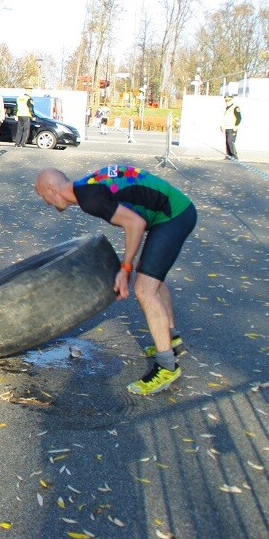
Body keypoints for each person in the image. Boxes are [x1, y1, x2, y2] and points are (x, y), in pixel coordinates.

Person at [34, 165, 197, 395]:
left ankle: (166, 366)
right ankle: (171, 341)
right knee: (152, 278)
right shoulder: (86, 186)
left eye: (44, 197)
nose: (47, 203)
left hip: (173, 215)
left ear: (52, 190)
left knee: (144, 290)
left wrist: (125, 267)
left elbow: (135, 224)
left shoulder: (89, 197)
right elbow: (132, 213)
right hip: (171, 212)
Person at [221, 94, 241, 159]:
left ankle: (234, 156)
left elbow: (239, 118)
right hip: (227, 127)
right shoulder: (227, 109)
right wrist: (222, 126)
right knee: (227, 142)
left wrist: (236, 125)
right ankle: (228, 156)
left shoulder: (235, 108)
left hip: (232, 128)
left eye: (228, 101)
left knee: (230, 141)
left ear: (231, 100)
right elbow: (226, 119)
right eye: (226, 101)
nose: (227, 102)